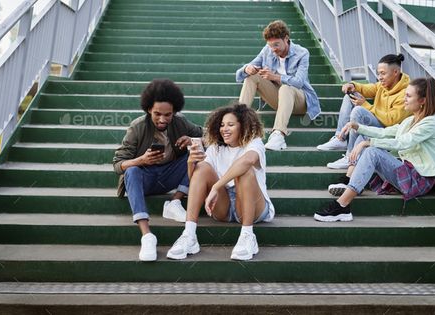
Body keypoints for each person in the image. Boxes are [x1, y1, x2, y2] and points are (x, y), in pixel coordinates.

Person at [314, 77, 435, 222]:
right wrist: (357, 126)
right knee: (365, 139)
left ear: (422, 101)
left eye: (408, 96)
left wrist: (368, 143)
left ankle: (342, 205)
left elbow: (402, 142)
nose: (404, 99)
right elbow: (384, 132)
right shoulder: (410, 121)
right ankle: (352, 185)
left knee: (372, 151)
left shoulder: (430, 123)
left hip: (418, 179)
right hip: (406, 171)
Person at [166, 103, 275, 261]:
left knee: (244, 171)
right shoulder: (216, 147)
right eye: (222, 125)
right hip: (223, 207)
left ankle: (247, 236)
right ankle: (189, 236)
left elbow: (248, 160)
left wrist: (216, 186)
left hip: (252, 205)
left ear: (243, 126)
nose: (224, 129)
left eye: (231, 125)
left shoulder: (254, 142)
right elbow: (196, 179)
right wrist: (191, 163)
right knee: (202, 167)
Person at [113, 79, 203, 261]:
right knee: (131, 171)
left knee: (197, 152)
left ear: (174, 112)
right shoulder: (137, 127)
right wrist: (141, 160)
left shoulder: (180, 123)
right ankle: (147, 235)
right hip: (145, 179)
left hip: (170, 175)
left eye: (168, 115)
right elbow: (118, 164)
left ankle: (175, 202)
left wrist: (192, 139)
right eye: (157, 114)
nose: (162, 119)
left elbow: (207, 134)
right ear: (148, 110)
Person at [236, 19, 321, 151]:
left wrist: (275, 77)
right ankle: (239, 122)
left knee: (286, 87)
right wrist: (247, 68)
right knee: (252, 76)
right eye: (270, 46)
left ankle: (278, 134)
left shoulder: (302, 53)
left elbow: (299, 82)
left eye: (276, 45)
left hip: (300, 101)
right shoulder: (267, 50)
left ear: (286, 39)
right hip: (279, 99)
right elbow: (241, 72)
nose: (273, 50)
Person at [317, 54, 411, 170]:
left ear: (395, 72)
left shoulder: (405, 93)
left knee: (358, 111)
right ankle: (340, 138)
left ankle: (350, 156)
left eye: (383, 73)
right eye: (378, 73)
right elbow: (369, 88)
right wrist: (353, 85)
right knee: (351, 96)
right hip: (378, 122)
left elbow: (391, 120)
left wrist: (366, 106)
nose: (380, 77)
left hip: (388, 131)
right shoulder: (384, 85)